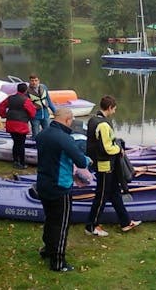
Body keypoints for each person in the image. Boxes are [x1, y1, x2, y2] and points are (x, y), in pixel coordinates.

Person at [35, 108, 92, 272]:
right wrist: (88, 160)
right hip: (60, 187)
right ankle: (58, 262)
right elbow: (81, 162)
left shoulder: (42, 134)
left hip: (43, 183)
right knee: (61, 225)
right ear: (67, 120)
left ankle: (47, 249)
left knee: (50, 220)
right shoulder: (65, 139)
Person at [85, 95, 141, 237]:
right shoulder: (103, 124)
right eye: (114, 109)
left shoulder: (93, 119)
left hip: (105, 164)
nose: (114, 112)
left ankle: (125, 222)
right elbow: (107, 148)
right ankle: (91, 226)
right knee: (102, 196)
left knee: (115, 193)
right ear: (109, 108)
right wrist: (119, 149)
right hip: (105, 165)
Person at [0, 83, 36, 169]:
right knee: (21, 144)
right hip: (21, 124)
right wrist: (29, 117)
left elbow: (1, 106)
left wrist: (3, 115)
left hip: (10, 123)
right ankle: (22, 163)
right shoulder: (26, 100)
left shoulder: (10, 98)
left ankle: (15, 161)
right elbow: (32, 112)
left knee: (15, 143)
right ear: (26, 90)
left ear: (17, 89)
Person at [27, 74, 56, 139]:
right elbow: (26, 105)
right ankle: (35, 146)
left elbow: (49, 101)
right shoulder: (27, 91)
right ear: (29, 81)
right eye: (32, 81)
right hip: (35, 116)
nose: (34, 82)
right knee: (36, 135)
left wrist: (55, 112)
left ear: (38, 81)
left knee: (48, 133)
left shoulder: (44, 87)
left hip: (45, 115)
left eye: (36, 80)